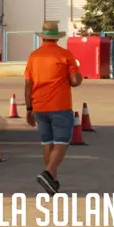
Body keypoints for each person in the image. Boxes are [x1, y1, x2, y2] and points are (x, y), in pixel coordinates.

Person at [24, 20, 83, 194]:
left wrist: (29, 109)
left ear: (43, 37)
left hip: (39, 106)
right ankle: (48, 172)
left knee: (47, 142)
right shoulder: (65, 55)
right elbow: (74, 81)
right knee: (62, 141)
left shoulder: (33, 56)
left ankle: (52, 182)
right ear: (57, 37)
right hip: (60, 105)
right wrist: (78, 78)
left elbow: (28, 84)